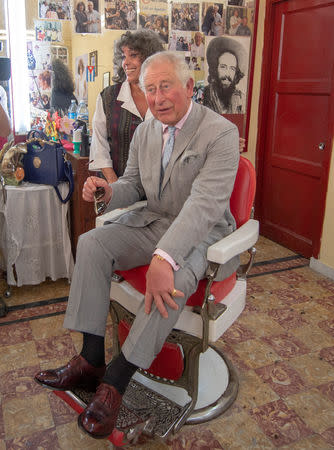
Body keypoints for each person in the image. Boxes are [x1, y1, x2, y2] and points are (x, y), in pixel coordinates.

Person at [34, 51, 239, 440]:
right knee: (92, 244)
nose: (159, 97)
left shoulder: (220, 133)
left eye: (166, 86)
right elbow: (135, 184)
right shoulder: (148, 129)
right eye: (151, 89)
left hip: (204, 231)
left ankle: (116, 379)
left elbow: (204, 206)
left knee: (172, 275)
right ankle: (91, 359)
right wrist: (109, 190)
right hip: (157, 219)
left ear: (189, 88)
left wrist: (165, 257)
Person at [89, 30, 164, 183]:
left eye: (133, 55)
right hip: (114, 188)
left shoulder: (165, 97)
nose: (126, 62)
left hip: (158, 192)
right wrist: (117, 189)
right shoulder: (108, 97)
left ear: (150, 58)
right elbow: (99, 148)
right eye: (123, 56)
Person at [203, 36, 246, 115]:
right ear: (215, 69)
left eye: (232, 69)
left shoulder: (241, 99)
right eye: (223, 67)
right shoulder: (204, 94)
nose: (227, 74)